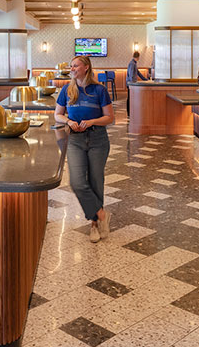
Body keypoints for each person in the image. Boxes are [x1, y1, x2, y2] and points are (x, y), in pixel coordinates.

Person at [55, 55, 114, 243]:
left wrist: (92, 122)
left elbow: (109, 117)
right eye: (71, 66)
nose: (71, 69)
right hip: (75, 140)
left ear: (86, 68)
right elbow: (58, 114)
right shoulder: (67, 89)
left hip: (98, 139)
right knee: (78, 182)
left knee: (96, 181)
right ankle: (102, 214)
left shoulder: (99, 90)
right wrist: (69, 121)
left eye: (75, 66)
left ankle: (95, 225)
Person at [125, 50, 147, 116]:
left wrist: (145, 79)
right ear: (138, 57)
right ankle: (129, 112)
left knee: (130, 97)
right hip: (130, 84)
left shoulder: (134, 63)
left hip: (131, 83)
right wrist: (132, 84)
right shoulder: (132, 64)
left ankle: (130, 111)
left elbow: (138, 73)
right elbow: (131, 75)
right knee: (129, 97)